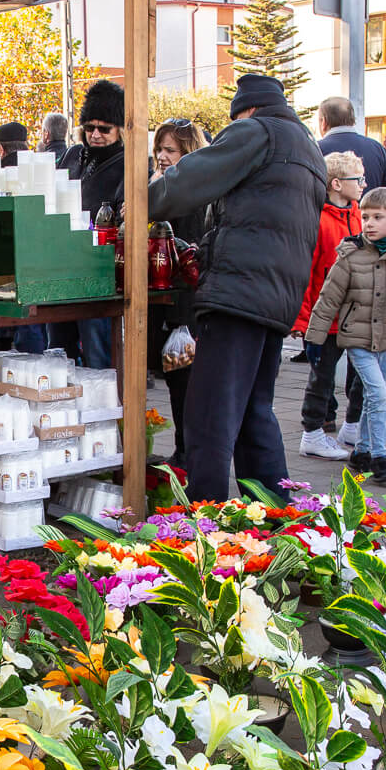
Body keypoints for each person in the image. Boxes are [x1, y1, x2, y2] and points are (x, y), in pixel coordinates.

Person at [149, 74, 325, 500]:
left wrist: (139, 202)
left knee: (209, 416)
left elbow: (187, 181)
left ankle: (205, 518)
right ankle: (273, 512)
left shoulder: (256, 131)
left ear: (245, 110)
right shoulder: (308, 147)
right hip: (276, 298)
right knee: (253, 413)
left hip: (237, 294)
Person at [300, 187, 386, 484]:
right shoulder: (351, 255)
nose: (369, 223)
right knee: (379, 395)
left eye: (378, 217)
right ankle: (379, 455)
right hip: (356, 337)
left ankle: (361, 450)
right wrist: (314, 337)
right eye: (365, 217)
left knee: (372, 395)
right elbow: (328, 299)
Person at [294, 150, 367, 461]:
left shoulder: (360, 216)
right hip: (327, 316)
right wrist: (303, 320)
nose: (363, 184)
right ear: (336, 184)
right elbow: (307, 273)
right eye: (358, 179)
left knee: (362, 375)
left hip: (358, 314)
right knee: (321, 377)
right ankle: (312, 433)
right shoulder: (319, 221)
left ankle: (352, 426)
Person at [150, 119, 210, 463]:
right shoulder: (159, 187)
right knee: (177, 382)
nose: (162, 156)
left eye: (170, 150)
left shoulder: (193, 194)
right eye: (159, 149)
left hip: (186, 305)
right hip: (166, 304)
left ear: (188, 152)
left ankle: (189, 454)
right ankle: (185, 451)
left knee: (187, 383)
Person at [67, 80, 127, 368]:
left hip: (101, 269)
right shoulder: (73, 156)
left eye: (104, 129)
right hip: (65, 263)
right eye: (90, 127)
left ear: (120, 130)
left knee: (98, 355)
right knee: (60, 351)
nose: (95, 134)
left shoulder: (128, 163)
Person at [316, 96, 386, 201]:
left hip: (327, 211)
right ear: (353, 119)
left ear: (323, 122)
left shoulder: (315, 150)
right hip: (372, 210)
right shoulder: (377, 149)